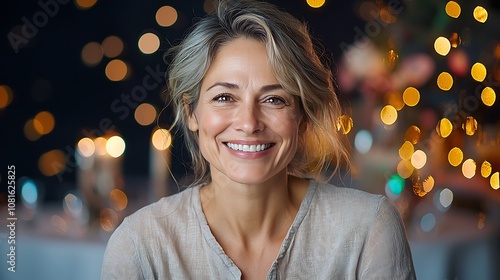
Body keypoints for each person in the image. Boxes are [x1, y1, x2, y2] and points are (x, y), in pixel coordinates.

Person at [101, 0, 416, 279]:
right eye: (225, 97)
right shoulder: (141, 244)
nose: (249, 123)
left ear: (303, 116)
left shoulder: (367, 230)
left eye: (274, 100)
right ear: (192, 112)